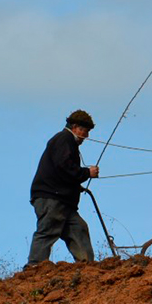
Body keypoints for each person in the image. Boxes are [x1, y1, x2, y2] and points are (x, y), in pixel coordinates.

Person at [26, 109, 101, 267]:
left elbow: (62, 171)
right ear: (74, 127)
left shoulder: (65, 141)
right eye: (84, 131)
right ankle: (33, 268)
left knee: (78, 229)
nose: (86, 136)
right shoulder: (64, 139)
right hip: (52, 198)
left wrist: (76, 185)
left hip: (61, 199)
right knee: (48, 231)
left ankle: (87, 267)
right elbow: (64, 167)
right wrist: (87, 172)